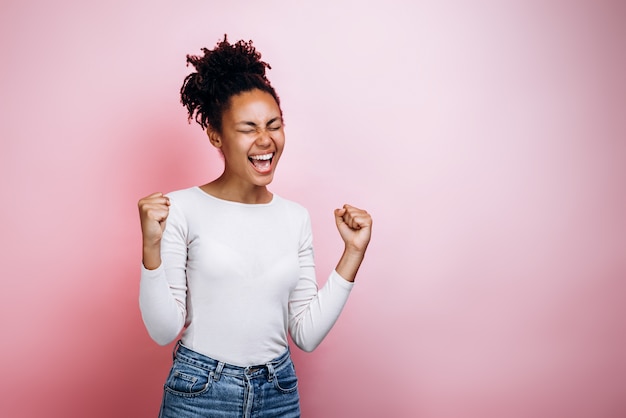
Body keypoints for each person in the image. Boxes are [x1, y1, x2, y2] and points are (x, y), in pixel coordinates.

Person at [138, 35, 372, 418]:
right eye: (248, 127)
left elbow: (306, 334)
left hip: (278, 392)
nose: (265, 140)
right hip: (200, 393)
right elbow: (164, 331)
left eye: (274, 124)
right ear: (216, 135)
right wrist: (150, 249)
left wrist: (353, 253)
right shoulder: (180, 208)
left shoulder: (295, 217)